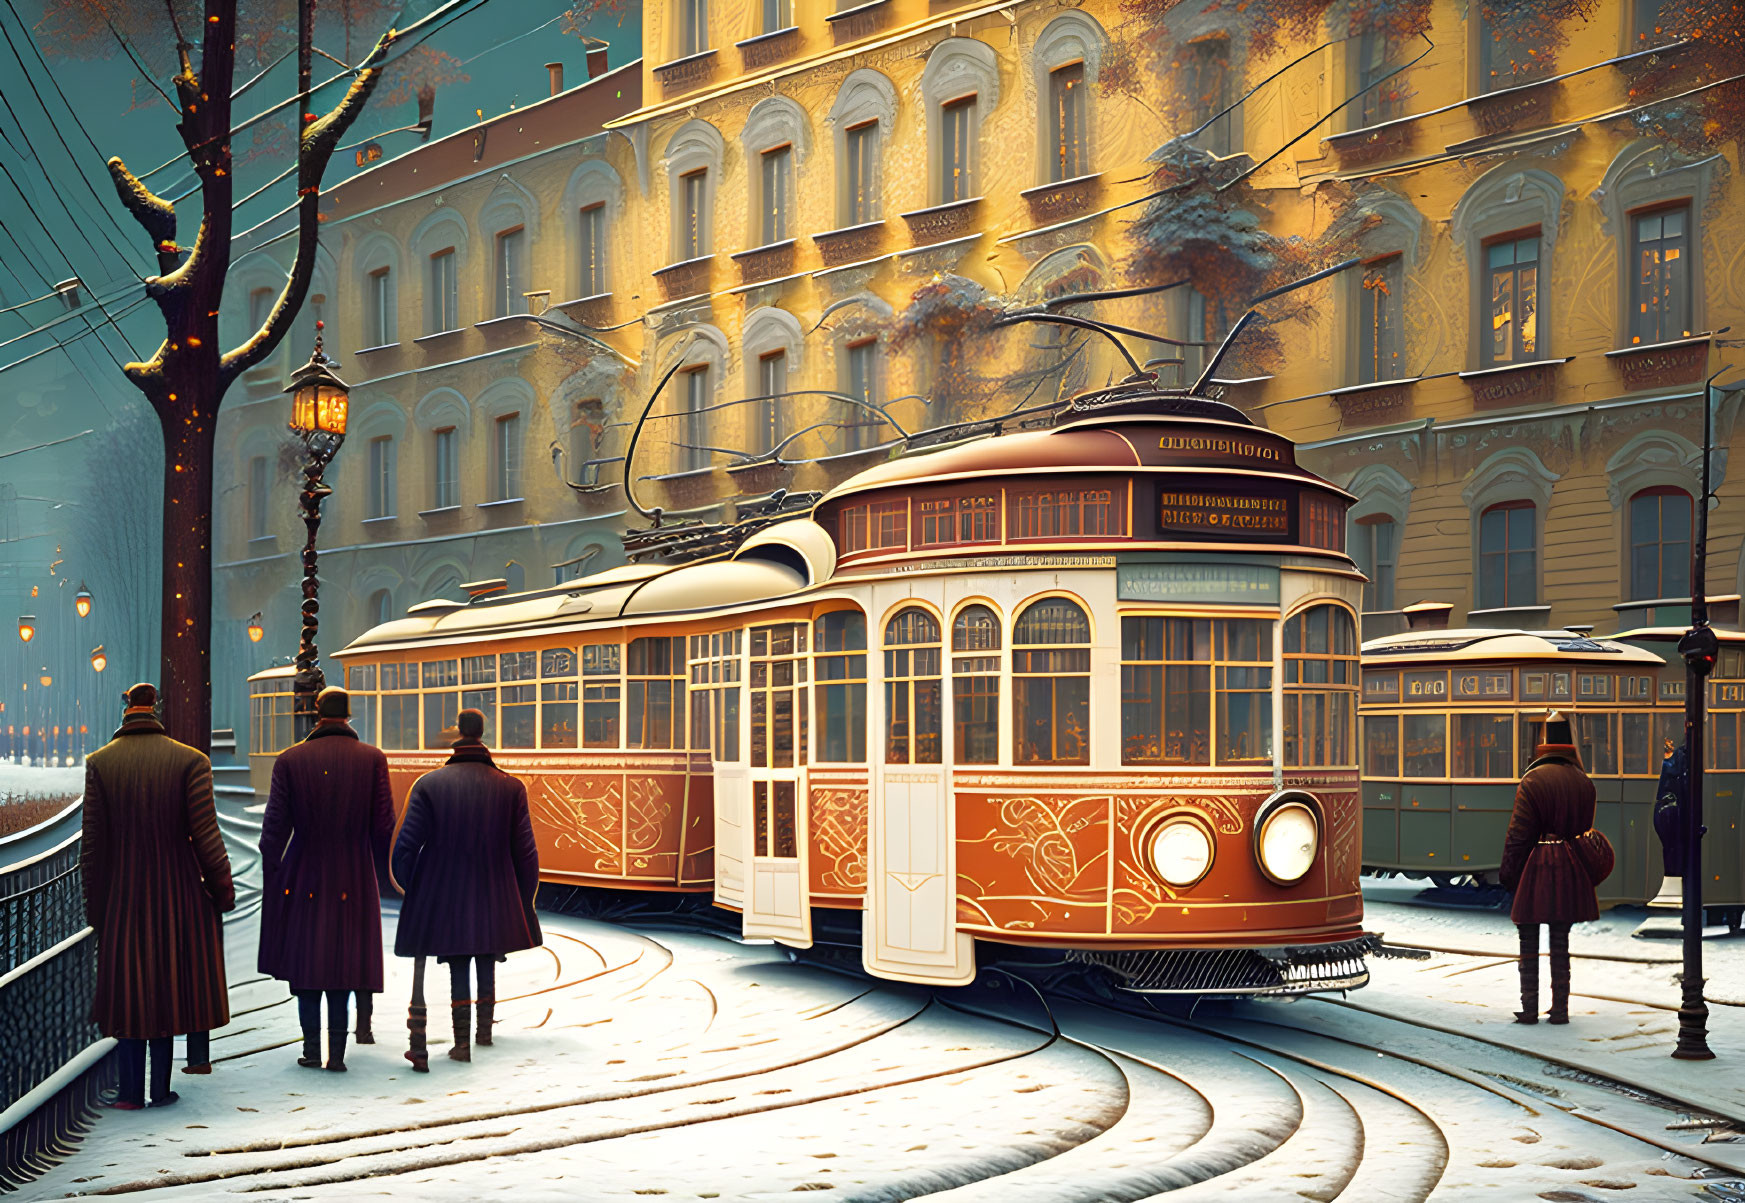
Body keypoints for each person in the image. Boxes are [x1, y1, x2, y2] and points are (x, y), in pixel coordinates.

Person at [81, 683, 234, 1109]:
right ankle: (161, 1089)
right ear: (157, 710)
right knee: (166, 985)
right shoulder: (190, 761)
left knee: (130, 989)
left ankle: (129, 1092)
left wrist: (95, 910)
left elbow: (91, 847)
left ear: (127, 708)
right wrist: (222, 891)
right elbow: (207, 837)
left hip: (122, 897)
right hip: (178, 894)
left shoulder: (100, 764)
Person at [391, 708, 540, 1069]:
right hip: (495, 891)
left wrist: (420, 890)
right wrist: (521, 898)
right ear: (482, 733)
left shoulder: (429, 785)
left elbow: (405, 850)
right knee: (486, 955)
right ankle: (484, 1032)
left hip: (447, 893)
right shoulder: (511, 787)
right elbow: (526, 855)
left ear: (458, 733)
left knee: (458, 961)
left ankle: (461, 1044)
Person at [258, 686, 394, 1071]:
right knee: (343, 963)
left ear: (316, 716)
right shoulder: (373, 759)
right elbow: (384, 824)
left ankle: (312, 1049)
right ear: (348, 716)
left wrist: (275, 875)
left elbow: (273, 832)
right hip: (354, 872)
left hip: (305, 872)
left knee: (308, 962)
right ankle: (338, 1054)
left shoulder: (290, 760)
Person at [1501, 710, 1615, 1025]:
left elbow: (1518, 835)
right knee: (1561, 940)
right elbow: (1583, 828)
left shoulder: (1532, 780)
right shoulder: (1584, 782)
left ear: (1544, 743)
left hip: (1538, 866)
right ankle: (1560, 1009)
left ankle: (1529, 1008)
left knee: (1528, 938)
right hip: (1571, 867)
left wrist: (1509, 874)